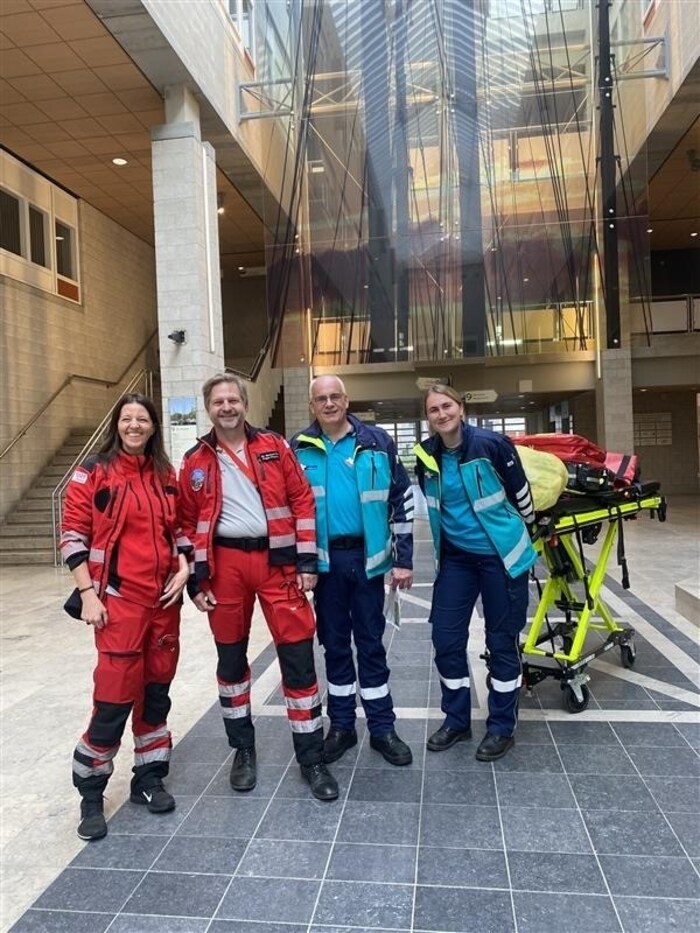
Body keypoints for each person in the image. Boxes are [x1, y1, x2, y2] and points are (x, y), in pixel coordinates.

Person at [178, 373, 338, 801]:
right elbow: (186, 525)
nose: (227, 407)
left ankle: (312, 758)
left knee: (299, 657)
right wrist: (196, 579)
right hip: (225, 565)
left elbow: (302, 499)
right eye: (218, 402)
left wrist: (306, 560)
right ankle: (242, 750)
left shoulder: (274, 446)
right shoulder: (194, 460)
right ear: (208, 408)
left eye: (233, 400)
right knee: (231, 664)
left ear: (244, 404)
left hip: (277, 563)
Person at [60, 394, 191, 842]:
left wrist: (186, 565)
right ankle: (91, 792)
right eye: (127, 419)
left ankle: (148, 779)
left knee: (156, 695)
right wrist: (87, 594)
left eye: (143, 419)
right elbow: (72, 534)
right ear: (116, 425)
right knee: (114, 698)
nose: (134, 426)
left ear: (154, 428)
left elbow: (179, 530)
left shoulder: (164, 475)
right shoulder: (93, 472)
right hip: (117, 604)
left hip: (163, 605)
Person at [291, 375, 414, 767]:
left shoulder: (377, 442)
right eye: (320, 399)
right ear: (312, 406)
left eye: (334, 397)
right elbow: (290, 510)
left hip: (368, 561)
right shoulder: (298, 449)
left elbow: (402, 499)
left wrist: (404, 558)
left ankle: (382, 728)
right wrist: (301, 563)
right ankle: (342, 726)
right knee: (335, 646)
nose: (328, 404)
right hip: (325, 566)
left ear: (346, 400)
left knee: (371, 644)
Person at [414, 384, 536, 761]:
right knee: (446, 640)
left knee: (502, 642)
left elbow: (523, 497)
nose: (441, 414)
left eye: (446, 405)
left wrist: (527, 530)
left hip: (501, 559)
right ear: (428, 417)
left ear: (461, 407)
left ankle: (501, 727)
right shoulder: (427, 456)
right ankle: (457, 720)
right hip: (457, 561)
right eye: (433, 410)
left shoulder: (491, 445)